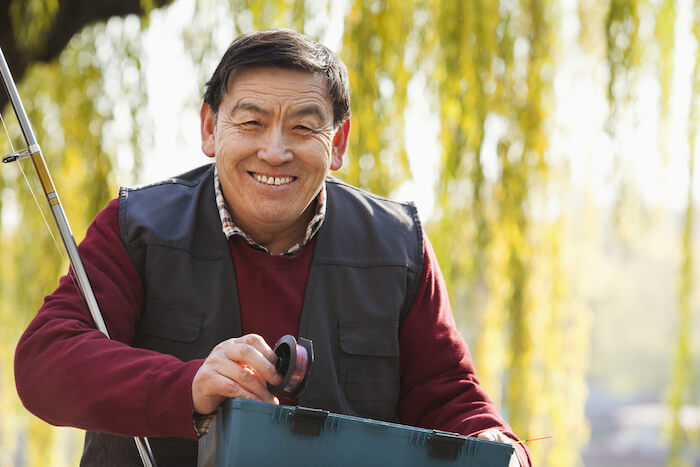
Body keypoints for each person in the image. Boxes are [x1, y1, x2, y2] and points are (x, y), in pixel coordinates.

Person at [14, 29, 531, 467]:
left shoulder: (399, 244)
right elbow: (44, 362)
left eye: (304, 127)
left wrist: (498, 447)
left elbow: (449, 396)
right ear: (210, 127)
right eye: (252, 121)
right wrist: (188, 386)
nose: (275, 151)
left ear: (339, 143)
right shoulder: (136, 227)